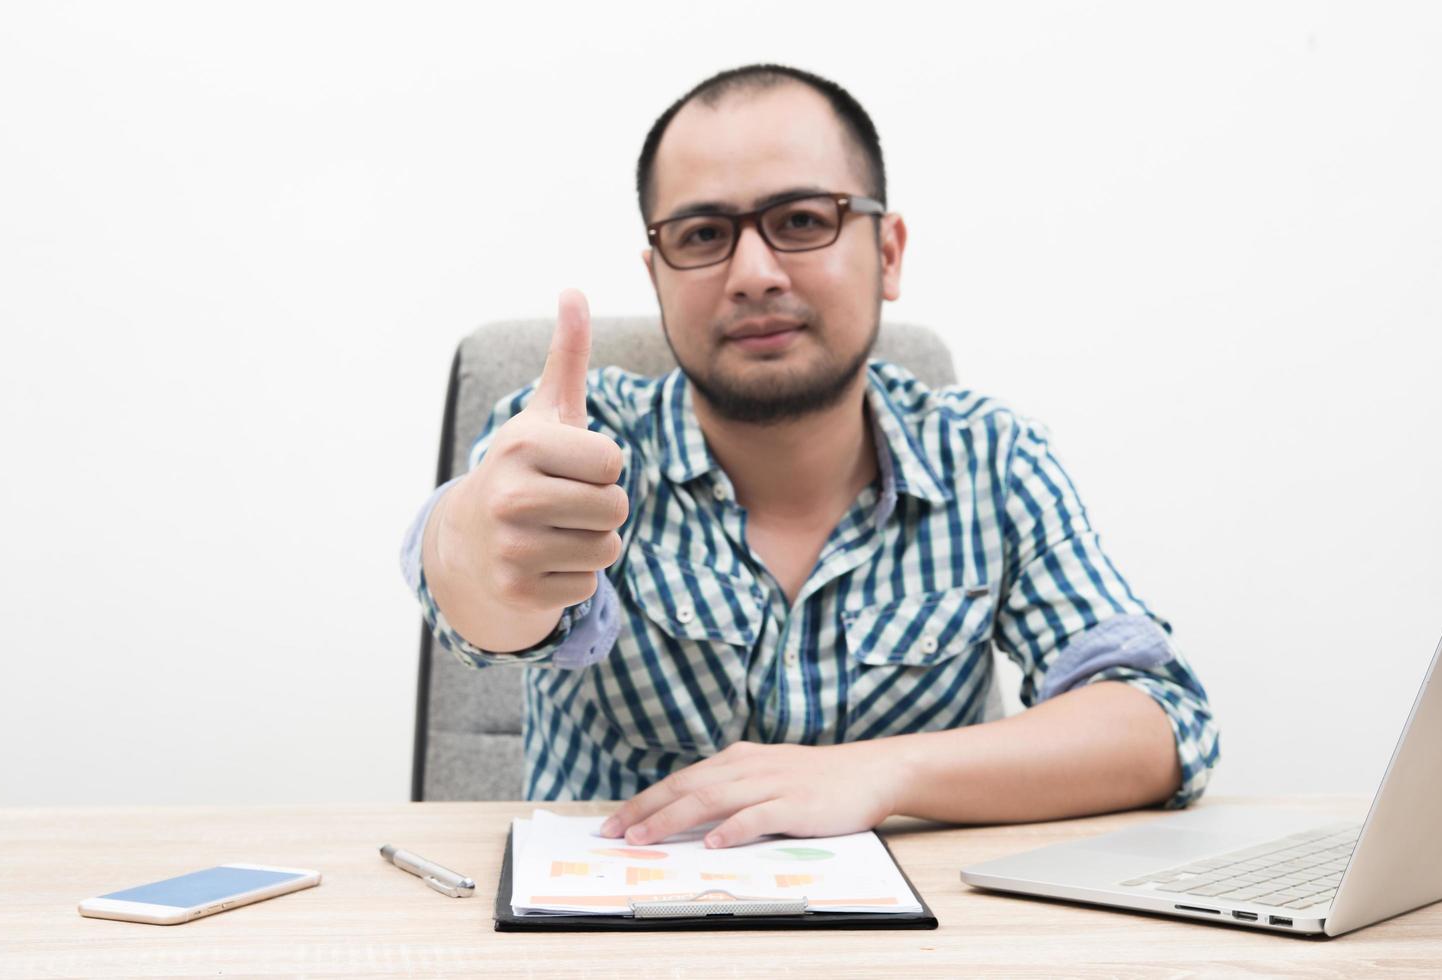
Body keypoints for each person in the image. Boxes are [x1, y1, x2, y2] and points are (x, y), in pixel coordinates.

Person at [400, 64, 1220, 849]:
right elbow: (478, 586)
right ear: (657, 276)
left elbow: (1156, 719)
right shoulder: (580, 448)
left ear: (888, 252)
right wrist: (470, 541)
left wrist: (877, 773)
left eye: (801, 221)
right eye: (703, 234)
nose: (752, 274)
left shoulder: (989, 458)